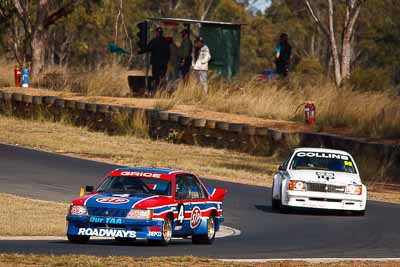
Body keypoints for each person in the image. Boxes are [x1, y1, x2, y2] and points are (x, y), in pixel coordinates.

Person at [140, 27, 170, 93]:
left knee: (156, 77)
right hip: (164, 64)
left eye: (156, 32)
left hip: (156, 63)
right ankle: (163, 91)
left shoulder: (154, 41)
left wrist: (140, 51)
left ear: (157, 33)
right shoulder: (166, 41)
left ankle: (156, 91)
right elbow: (168, 52)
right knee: (162, 77)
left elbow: (148, 48)